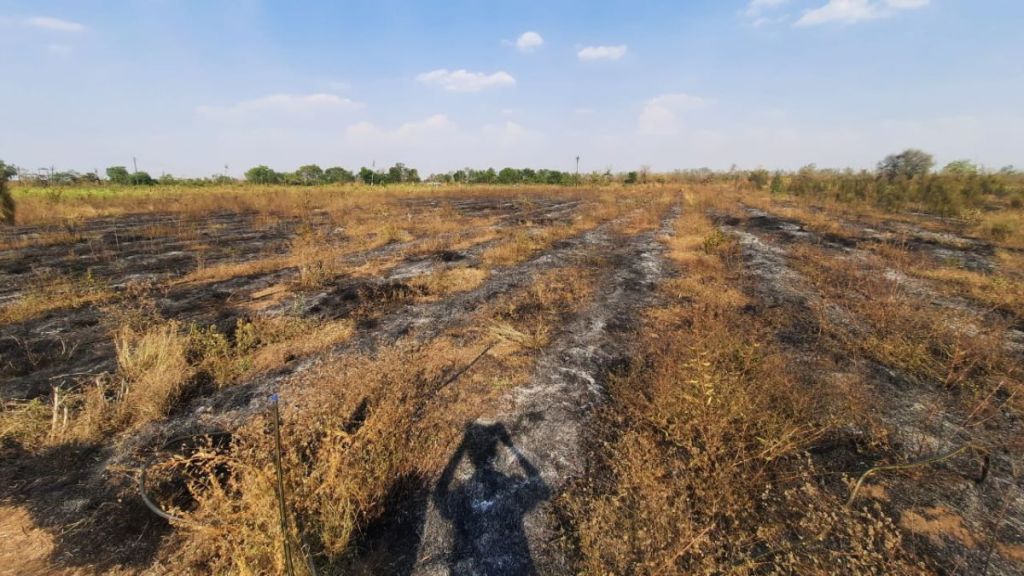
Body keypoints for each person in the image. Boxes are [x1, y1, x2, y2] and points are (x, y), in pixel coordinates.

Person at [434, 422, 550, 576]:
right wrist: (511, 446)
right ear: (495, 456)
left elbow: (440, 498)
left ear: (470, 457)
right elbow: (542, 490)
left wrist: (461, 446)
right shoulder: (511, 490)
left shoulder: (464, 495)